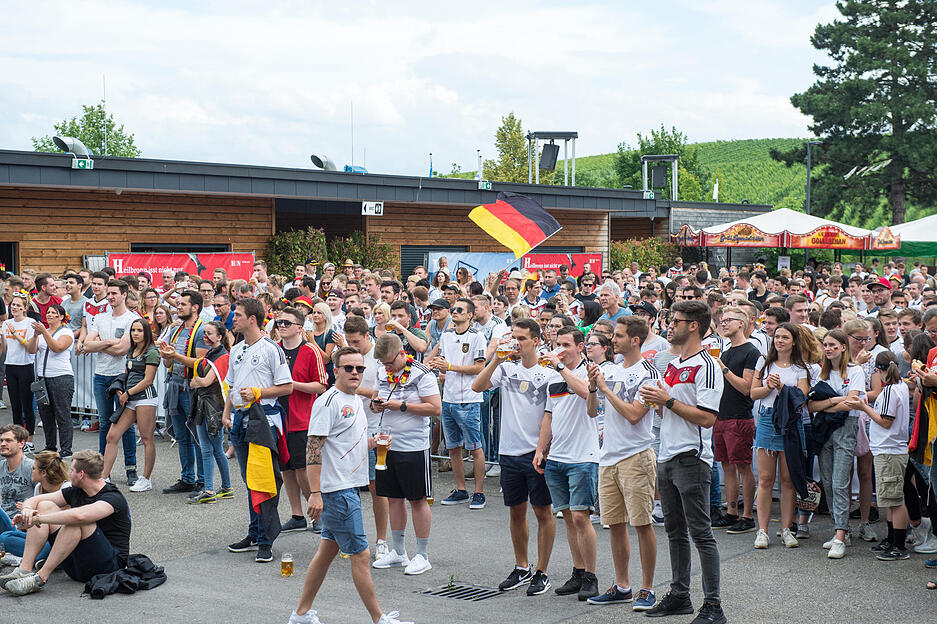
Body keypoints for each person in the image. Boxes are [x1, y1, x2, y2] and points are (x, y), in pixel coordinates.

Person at [288, 347, 412, 624]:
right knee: (361, 554)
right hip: (337, 490)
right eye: (348, 368)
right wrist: (316, 493)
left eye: (359, 368)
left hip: (346, 486)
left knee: (326, 552)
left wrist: (372, 443)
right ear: (336, 370)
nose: (355, 372)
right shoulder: (328, 401)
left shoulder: (354, 399)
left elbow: (343, 442)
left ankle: (301, 614)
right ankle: (379, 619)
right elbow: (313, 448)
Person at [638, 300, 726, 624]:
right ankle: (680, 595)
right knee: (675, 532)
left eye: (675, 321)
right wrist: (658, 403)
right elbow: (670, 410)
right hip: (667, 453)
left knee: (701, 533)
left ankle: (714, 606)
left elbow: (707, 418)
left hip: (692, 457)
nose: (669, 325)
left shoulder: (708, 365)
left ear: (693, 325)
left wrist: (668, 400)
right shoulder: (673, 364)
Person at [473, 318, 556, 597]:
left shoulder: (547, 371)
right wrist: (496, 359)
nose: (517, 343)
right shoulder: (506, 366)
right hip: (508, 451)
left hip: (535, 452)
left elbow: (551, 415)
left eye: (522, 338)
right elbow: (477, 386)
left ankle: (542, 572)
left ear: (536, 340)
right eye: (514, 337)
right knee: (516, 511)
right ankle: (522, 566)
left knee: (542, 511)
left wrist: (543, 449)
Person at [586, 317, 660, 610]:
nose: (612, 340)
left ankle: (647, 588)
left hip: (636, 456)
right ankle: (622, 585)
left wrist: (604, 388)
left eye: (618, 336)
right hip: (609, 457)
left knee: (642, 524)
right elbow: (593, 413)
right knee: (614, 524)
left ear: (635, 340)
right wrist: (593, 388)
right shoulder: (610, 369)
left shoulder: (649, 374)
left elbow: (633, 414)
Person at [0, 450, 131, 596]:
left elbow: (79, 516)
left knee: (77, 522)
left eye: (72, 470)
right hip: (77, 566)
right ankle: (24, 570)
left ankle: (40, 578)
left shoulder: (113, 497)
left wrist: (37, 519)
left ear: (81, 474)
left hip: (108, 567)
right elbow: (35, 500)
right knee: (45, 506)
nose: (68, 474)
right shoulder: (75, 490)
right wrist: (27, 511)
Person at [223, 298, 293, 564]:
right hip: (240, 420)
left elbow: (286, 387)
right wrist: (227, 411)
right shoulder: (238, 347)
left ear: (252, 319)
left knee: (263, 481)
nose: (234, 319)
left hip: (262, 420)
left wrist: (258, 393)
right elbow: (232, 384)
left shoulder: (271, 349)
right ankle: (254, 533)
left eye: (238, 315)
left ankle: (266, 540)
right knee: (248, 480)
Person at [535, 326, 599, 601]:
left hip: (583, 455)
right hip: (558, 455)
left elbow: (587, 393)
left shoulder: (589, 371)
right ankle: (578, 571)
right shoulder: (553, 376)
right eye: (557, 343)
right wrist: (541, 449)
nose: (559, 347)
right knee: (568, 518)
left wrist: (560, 365)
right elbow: (549, 414)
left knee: (580, 516)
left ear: (580, 346)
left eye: (565, 344)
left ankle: (591, 576)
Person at [368, 334, 441, 576]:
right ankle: (399, 551)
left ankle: (422, 554)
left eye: (390, 363)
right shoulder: (382, 371)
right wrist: (376, 405)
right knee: (393, 498)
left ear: (402, 354)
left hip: (413, 446)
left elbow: (435, 408)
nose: (386, 367)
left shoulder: (421, 373)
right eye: (383, 364)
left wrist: (402, 406)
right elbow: (379, 396)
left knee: (417, 499)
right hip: (387, 444)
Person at [749, 322, 811, 549]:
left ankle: (786, 528)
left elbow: (802, 398)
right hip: (767, 418)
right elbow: (753, 393)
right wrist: (768, 387)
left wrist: (781, 389)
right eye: (777, 337)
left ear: (794, 341)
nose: (779, 341)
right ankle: (762, 530)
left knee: (787, 480)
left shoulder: (800, 369)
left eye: (785, 337)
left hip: (791, 424)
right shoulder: (763, 363)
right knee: (765, 479)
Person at [808, 329, 865, 560]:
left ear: (843, 347)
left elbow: (853, 402)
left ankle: (840, 535)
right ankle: (839, 529)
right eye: (825, 345)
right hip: (824, 429)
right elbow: (811, 406)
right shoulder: (820, 373)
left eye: (833, 345)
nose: (828, 349)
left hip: (845, 428)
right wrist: (833, 401)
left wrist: (827, 404)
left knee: (840, 482)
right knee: (829, 482)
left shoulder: (855, 370)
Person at [428, 298, 488, 508]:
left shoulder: (477, 336)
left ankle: (479, 492)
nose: (455, 312)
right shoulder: (446, 336)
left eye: (460, 310)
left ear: (470, 315)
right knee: (453, 447)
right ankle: (461, 489)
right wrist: (440, 367)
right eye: (454, 309)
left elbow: (479, 368)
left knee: (475, 447)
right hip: (449, 399)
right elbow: (444, 366)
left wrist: (450, 366)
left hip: (469, 399)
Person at [81, 279, 138, 485]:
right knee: (105, 422)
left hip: (121, 376)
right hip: (101, 375)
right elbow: (86, 345)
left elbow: (122, 350)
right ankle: (103, 470)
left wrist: (99, 344)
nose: (110, 296)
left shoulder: (132, 319)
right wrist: (109, 342)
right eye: (109, 293)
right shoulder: (100, 317)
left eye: (114, 293)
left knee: (126, 424)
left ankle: (131, 468)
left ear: (124, 295)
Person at [276, 308, 327, 531]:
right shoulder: (275, 350)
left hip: (302, 419)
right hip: (278, 417)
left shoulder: (309, 350)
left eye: (287, 323)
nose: (282, 326)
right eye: (279, 323)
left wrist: (292, 385)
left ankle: (317, 514)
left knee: (302, 469)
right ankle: (297, 515)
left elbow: (321, 385)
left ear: (299, 327)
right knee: (285, 468)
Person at [858, 350, 911, 561]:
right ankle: (891, 538)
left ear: (879, 371)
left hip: (890, 449)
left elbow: (885, 421)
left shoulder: (890, 390)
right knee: (889, 498)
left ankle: (899, 544)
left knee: (895, 499)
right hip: (888, 449)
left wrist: (864, 407)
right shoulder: (901, 387)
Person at [344, 315, 390, 558]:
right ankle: (348, 538)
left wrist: (354, 387)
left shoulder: (378, 359)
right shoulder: (347, 356)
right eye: (348, 341)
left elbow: (383, 391)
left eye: (356, 341)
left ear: (366, 336)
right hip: (348, 429)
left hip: (374, 429)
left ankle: (381, 540)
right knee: (347, 488)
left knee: (377, 489)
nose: (352, 345)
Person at [711, 306, 759, 536]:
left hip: (740, 417)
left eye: (728, 320)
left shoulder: (751, 351)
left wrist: (723, 367)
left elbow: (746, 388)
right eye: (721, 321)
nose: (723, 324)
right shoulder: (726, 351)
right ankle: (731, 512)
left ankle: (748, 515)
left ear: (742, 323)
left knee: (743, 466)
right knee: (726, 466)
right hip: (721, 415)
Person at [158, 290, 208, 494]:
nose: (177, 307)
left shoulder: (202, 330)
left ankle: (203, 481)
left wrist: (175, 355)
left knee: (197, 436)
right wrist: (166, 354)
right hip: (175, 385)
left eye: (182, 304)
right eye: (177, 304)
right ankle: (187, 478)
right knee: (181, 435)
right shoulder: (176, 330)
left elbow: (201, 363)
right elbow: (168, 362)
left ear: (195, 307)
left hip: (191, 387)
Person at [102, 318, 160, 492]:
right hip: (130, 399)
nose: (135, 333)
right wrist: (120, 389)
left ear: (146, 333)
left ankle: (146, 479)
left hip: (145, 399)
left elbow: (148, 380)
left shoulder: (152, 352)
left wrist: (128, 393)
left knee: (146, 438)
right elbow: (126, 374)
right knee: (112, 436)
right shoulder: (131, 350)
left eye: (139, 331)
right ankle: (104, 477)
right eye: (133, 330)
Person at [187, 320, 235, 504]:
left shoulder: (221, 356)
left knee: (208, 449)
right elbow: (199, 380)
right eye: (204, 333)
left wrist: (196, 381)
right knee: (215, 449)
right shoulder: (214, 354)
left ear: (220, 336)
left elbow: (204, 381)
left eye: (209, 334)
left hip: (212, 406)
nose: (205, 337)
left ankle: (209, 490)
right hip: (207, 405)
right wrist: (197, 380)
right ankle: (226, 487)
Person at [26, 305, 75, 459]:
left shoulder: (66, 332)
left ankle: (66, 449)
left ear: (61, 317)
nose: (50, 315)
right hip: (43, 378)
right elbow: (31, 350)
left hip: (61, 377)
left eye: (54, 313)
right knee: (46, 414)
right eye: (48, 312)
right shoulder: (41, 334)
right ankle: (50, 446)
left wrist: (44, 332)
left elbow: (57, 347)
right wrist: (35, 335)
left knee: (62, 413)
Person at [0, 450, 67, 560]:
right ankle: (32, 557)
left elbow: (63, 521)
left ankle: (28, 558)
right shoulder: (38, 488)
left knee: (48, 547)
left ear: (43, 473)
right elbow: (33, 526)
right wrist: (26, 519)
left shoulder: (66, 488)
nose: (31, 470)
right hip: (37, 536)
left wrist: (35, 514)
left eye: (34, 468)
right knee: (4, 537)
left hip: (56, 539)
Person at [2, 292, 36, 451]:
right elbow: (5, 347)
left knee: (27, 404)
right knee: (15, 404)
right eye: (13, 304)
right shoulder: (6, 323)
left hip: (25, 365)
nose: (14, 307)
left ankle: (29, 439)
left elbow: (29, 347)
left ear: (25, 308)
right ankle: (16, 438)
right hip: (10, 365)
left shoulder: (30, 323)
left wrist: (14, 333)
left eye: (18, 306)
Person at [0, 425, 34, 539]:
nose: (3, 444)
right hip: (3, 520)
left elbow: (47, 496)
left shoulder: (32, 467)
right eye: (1, 440)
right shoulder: (1, 466)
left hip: (20, 526)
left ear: (21, 444)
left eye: (8, 440)